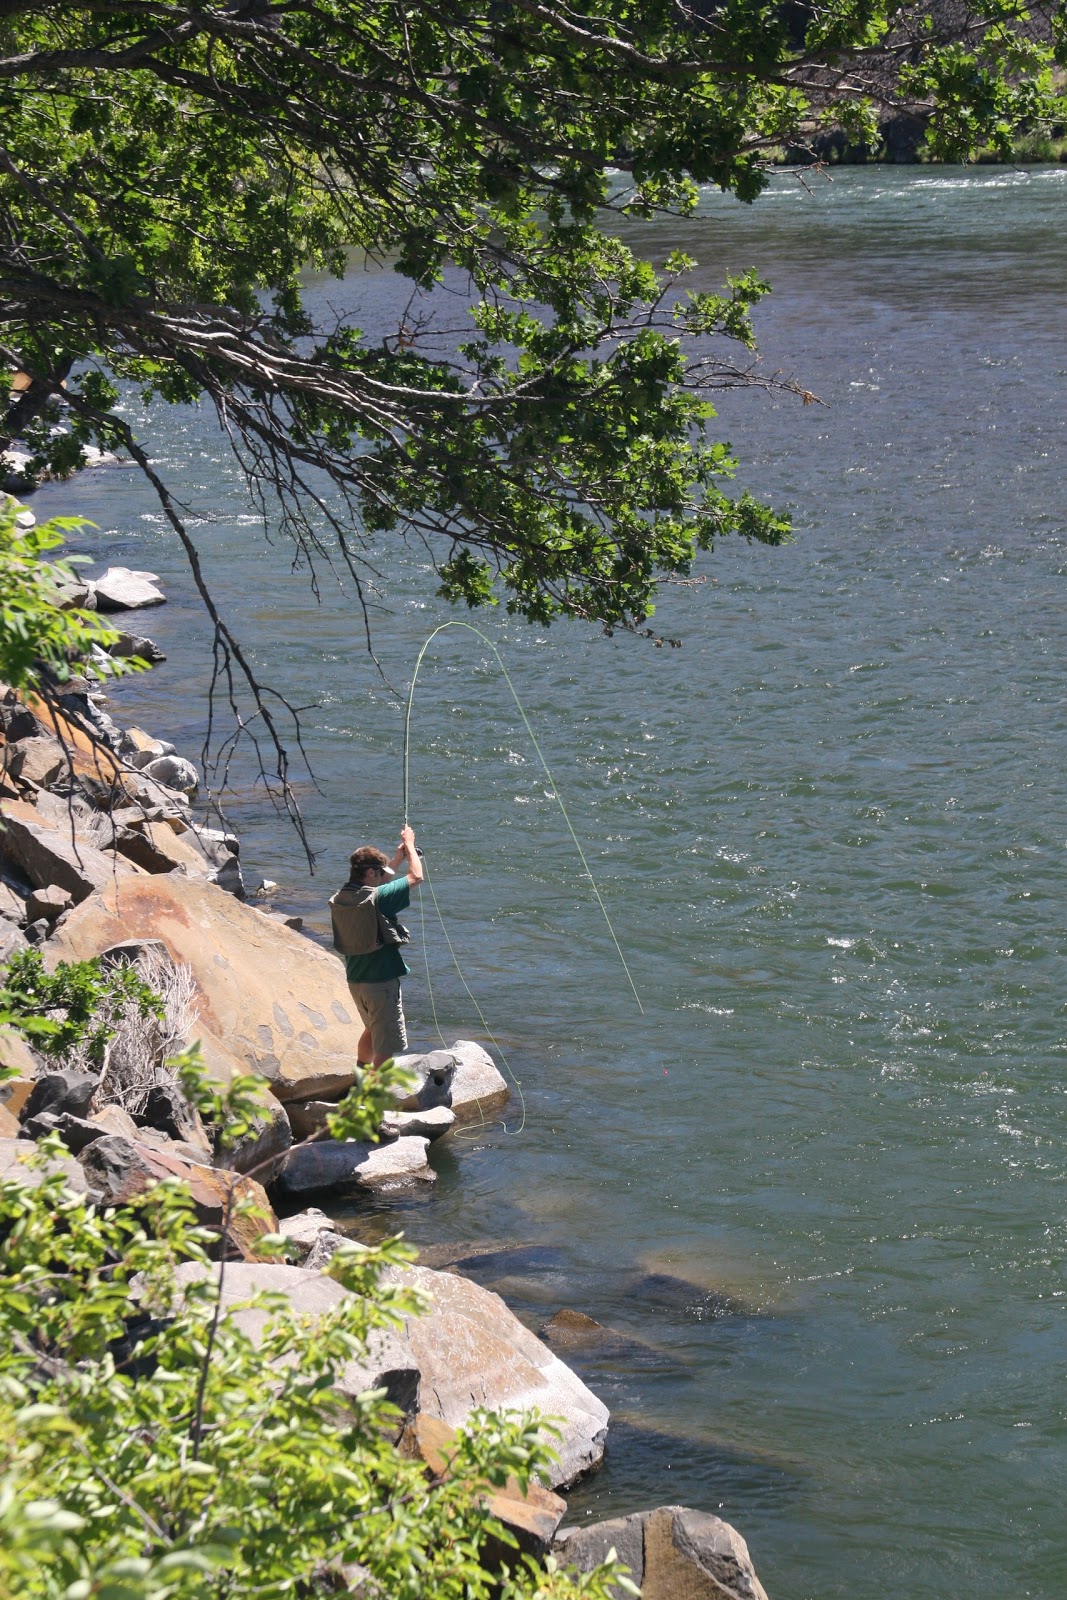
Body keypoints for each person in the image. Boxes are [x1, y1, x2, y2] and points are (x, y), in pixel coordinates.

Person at [330, 823, 424, 1068]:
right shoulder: (379, 899)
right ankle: (376, 1097)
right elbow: (417, 876)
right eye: (379, 871)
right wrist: (411, 846)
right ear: (371, 872)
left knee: (371, 1030)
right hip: (380, 983)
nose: (383, 874)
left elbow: (378, 885)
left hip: (355, 980)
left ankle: (360, 1079)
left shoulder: (343, 896)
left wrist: (396, 859)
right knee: (386, 1043)